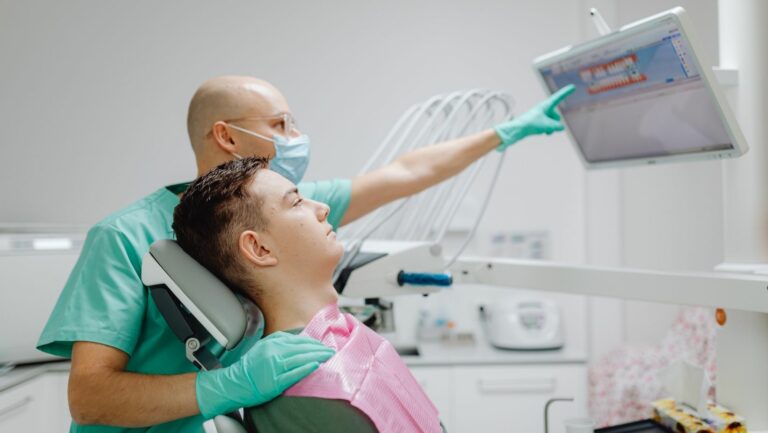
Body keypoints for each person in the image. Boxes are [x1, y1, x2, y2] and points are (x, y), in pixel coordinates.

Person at [37, 75, 574, 432]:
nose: (296, 138)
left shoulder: (281, 209)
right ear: (225, 135)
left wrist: (504, 133)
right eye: (280, 125)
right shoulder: (125, 236)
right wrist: (226, 385)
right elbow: (89, 398)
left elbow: (406, 173)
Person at [173, 156, 446, 433]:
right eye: (296, 202)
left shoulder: (343, 334)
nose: (323, 208)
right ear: (260, 248)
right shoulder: (302, 388)